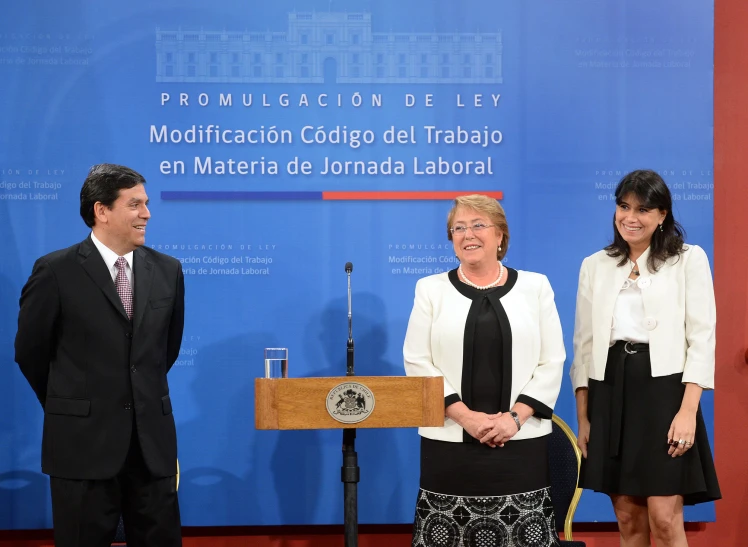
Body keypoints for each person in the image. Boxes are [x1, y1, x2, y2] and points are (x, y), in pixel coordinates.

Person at [15, 164, 185, 547]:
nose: (147, 213)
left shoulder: (168, 270)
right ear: (101, 210)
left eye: (146, 203)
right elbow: (30, 352)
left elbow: (163, 352)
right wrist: (73, 404)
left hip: (151, 449)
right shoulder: (55, 271)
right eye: (134, 204)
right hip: (82, 448)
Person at [404, 194, 566, 547]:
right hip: (448, 442)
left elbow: (551, 361)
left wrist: (513, 419)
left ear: (500, 236)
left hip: (520, 443)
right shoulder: (430, 290)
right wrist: (468, 419)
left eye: (479, 225)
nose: (468, 234)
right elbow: (417, 362)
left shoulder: (535, 287)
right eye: (458, 228)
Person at [571, 170, 721, 547]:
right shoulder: (595, 264)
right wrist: (584, 416)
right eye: (624, 206)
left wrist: (688, 411)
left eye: (642, 208)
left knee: (665, 518)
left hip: (664, 393)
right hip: (611, 390)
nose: (630, 217)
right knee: (627, 517)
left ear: (662, 215)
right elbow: (584, 346)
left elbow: (702, 338)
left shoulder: (689, 260)